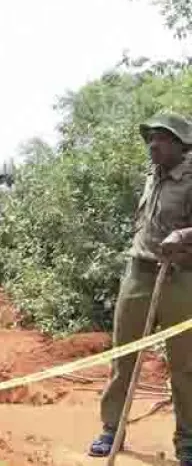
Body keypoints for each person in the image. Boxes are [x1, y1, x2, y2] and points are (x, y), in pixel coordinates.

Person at [88, 112, 192, 464]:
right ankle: (111, 428)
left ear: (180, 144)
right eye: (150, 138)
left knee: (185, 366)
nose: (152, 144)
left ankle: (188, 443)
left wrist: (183, 235)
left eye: (161, 138)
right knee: (124, 356)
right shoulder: (153, 174)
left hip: (180, 278)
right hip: (139, 273)